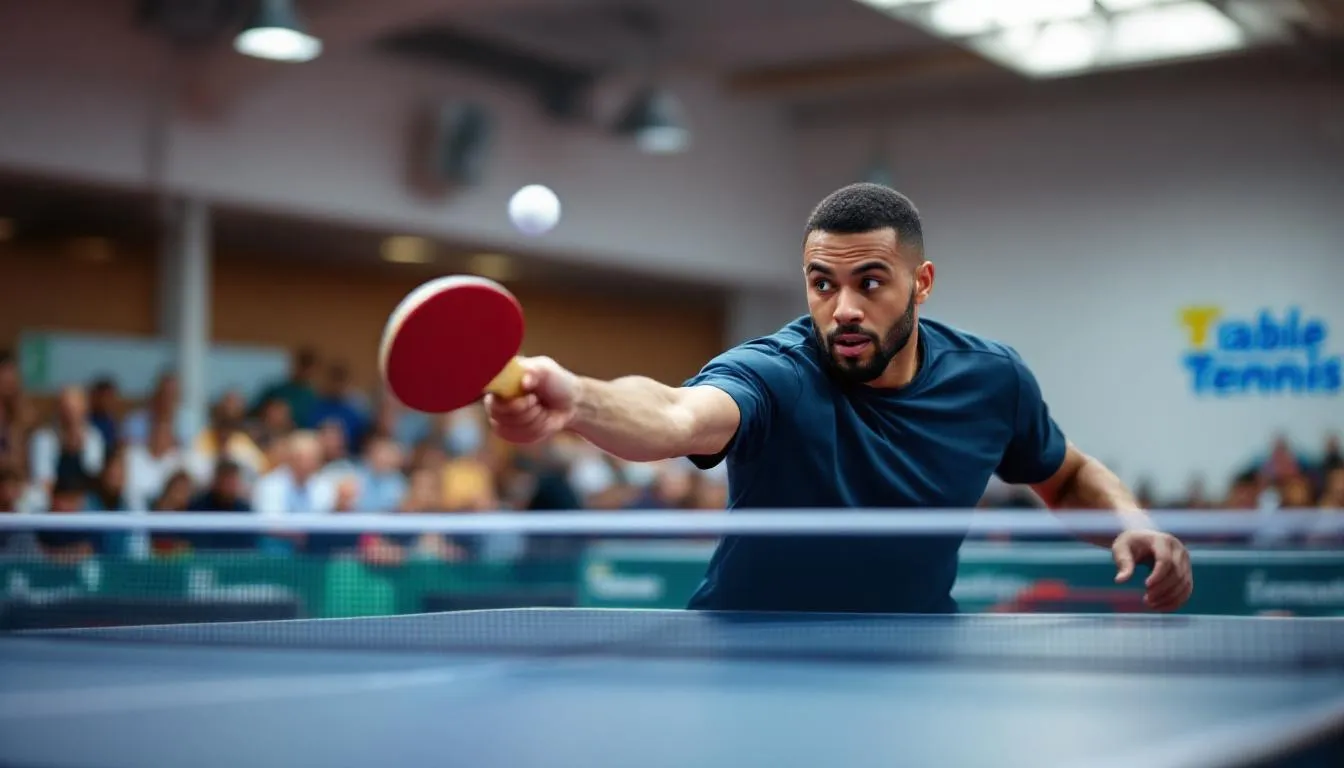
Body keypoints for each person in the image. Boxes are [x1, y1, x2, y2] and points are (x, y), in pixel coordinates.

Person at [485, 183, 1195, 614]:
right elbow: (676, 417)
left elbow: (1064, 473)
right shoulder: (778, 373)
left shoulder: (991, 378)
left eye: (871, 282)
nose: (843, 308)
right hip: (748, 657)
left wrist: (1129, 523)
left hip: (919, 657)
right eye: (822, 283)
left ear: (921, 283)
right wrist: (576, 399)